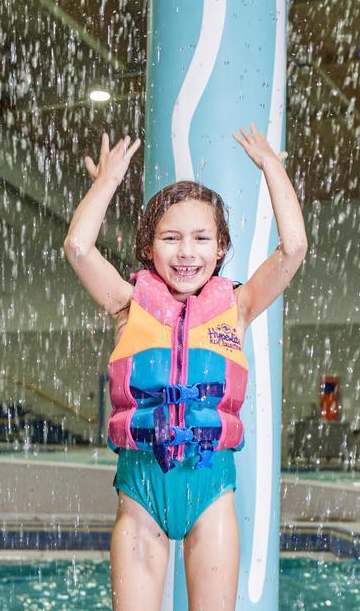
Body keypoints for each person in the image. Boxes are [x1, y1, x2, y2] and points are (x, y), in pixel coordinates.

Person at [63, 126, 307, 611]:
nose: (186, 251)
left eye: (201, 238)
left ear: (220, 249)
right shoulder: (128, 305)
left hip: (210, 493)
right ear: (149, 247)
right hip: (141, 495)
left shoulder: (237, 306)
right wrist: (106, 182)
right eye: (170, 238)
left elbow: (294, 248)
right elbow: (78, 248)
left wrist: (272, 169)